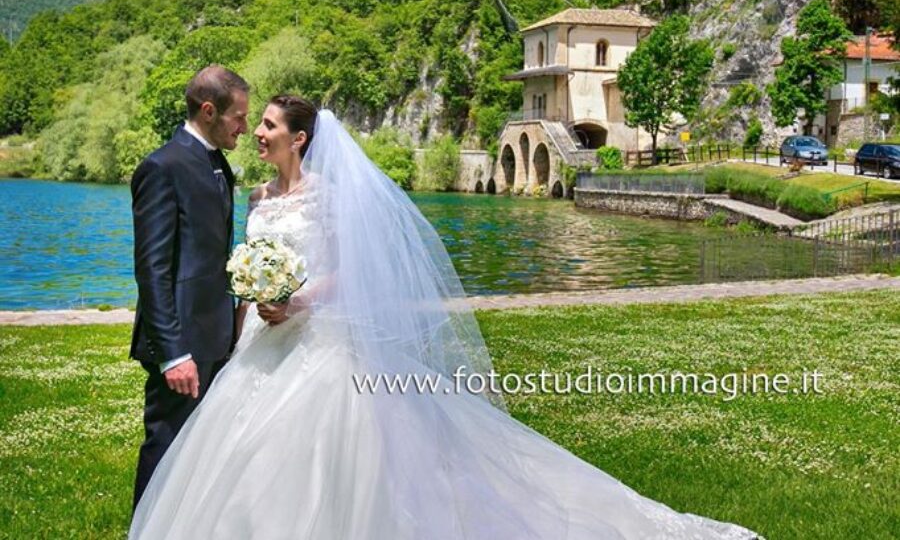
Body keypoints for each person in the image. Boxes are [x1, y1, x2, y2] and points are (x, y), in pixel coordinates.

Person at [130, 95, 758, 539]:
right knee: (239, 447)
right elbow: (250, 262)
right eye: (255, 122)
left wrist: (298, 299)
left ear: (299, 138)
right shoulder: (260, 195)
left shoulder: (330, 197)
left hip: (316, 336)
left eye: (267, 124)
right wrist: (252, 305)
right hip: (261, 341)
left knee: (330, 447)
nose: (257, 132)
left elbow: (347, 269)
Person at [129, 65, 249, 509]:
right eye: (238, 116)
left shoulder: (218, 163)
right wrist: (173, 353)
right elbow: (152, 269)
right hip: (181, 343)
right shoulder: (162, 167)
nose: (245, 126)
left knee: (201, 453)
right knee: (166, 449)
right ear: (208, 110)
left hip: (215, 335)